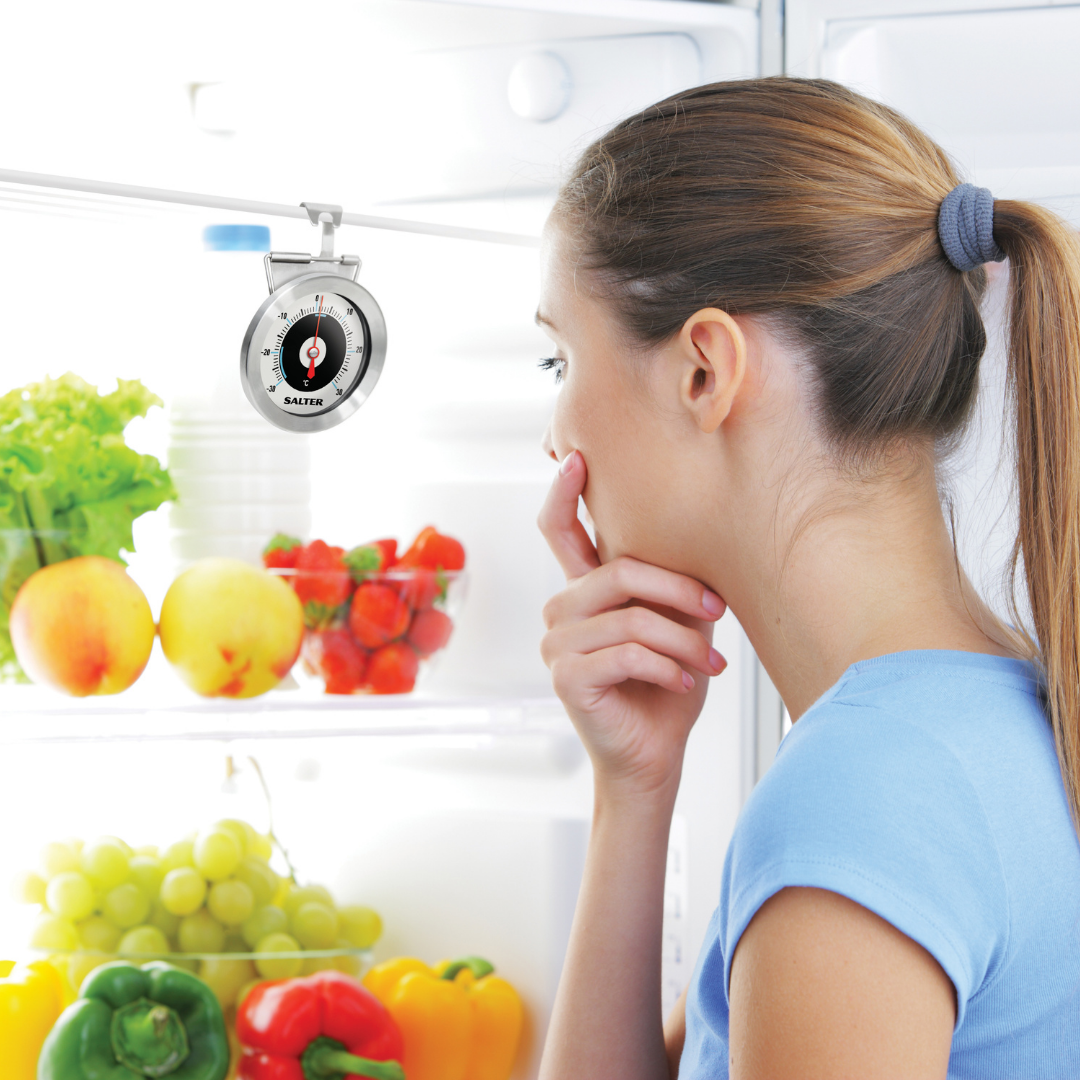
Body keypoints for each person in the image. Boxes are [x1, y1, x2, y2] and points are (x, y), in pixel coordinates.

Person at [533, 77, 1080, 1079]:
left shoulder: (862, 794)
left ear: (705, 370)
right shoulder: (988, 723)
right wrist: (635, 791)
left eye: (559, 361)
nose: (555, 433)